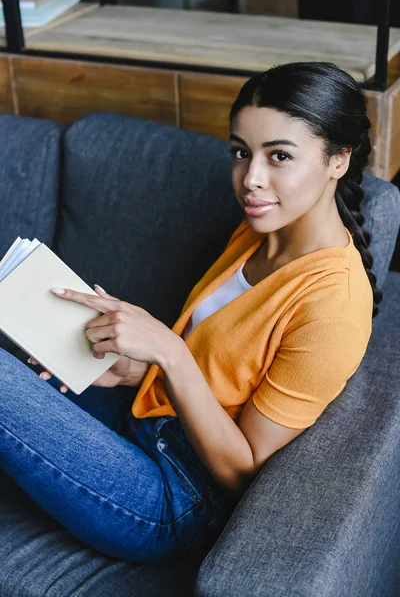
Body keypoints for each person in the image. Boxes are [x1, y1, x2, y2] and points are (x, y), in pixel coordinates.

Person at [0, 62, 381, 564]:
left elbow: (242, 471)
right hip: (146, 417)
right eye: (241, 153)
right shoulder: (259, 232)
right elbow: (220, 374)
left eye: (280, 156)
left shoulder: (334, 304)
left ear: (339, 159)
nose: (251, 180)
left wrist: (168, 352)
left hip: (177, 498)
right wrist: (139, 369)